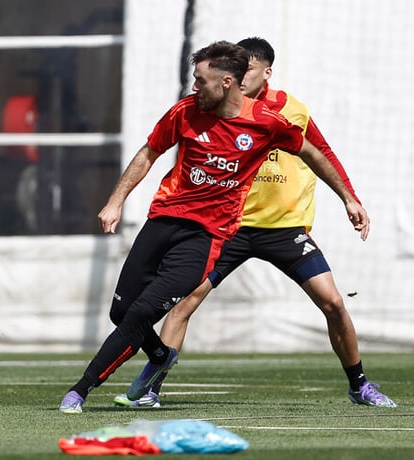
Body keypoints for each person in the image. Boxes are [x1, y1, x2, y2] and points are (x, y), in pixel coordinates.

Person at [58, 41, 368, 414]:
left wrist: (349, 198)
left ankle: (80, 390)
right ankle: (159, 360)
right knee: (125, 313)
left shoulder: (273, 118)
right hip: (169, 222)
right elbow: (148, 152)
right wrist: (115, 200)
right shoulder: (186, 111)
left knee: (332, 301)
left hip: (233, 233)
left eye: (200, 80)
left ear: (228, 81)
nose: (194, 87)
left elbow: (315, 152)